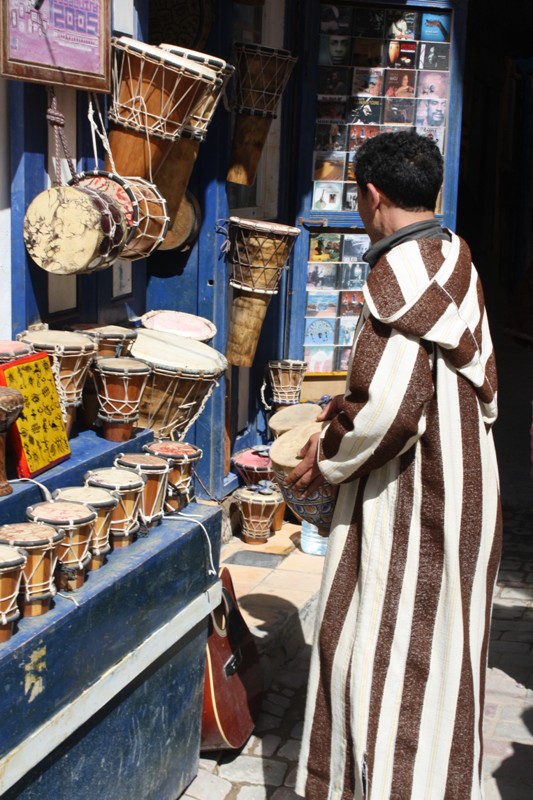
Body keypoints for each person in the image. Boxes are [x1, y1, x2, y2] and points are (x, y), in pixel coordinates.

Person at [289, 131, 502, 799]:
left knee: (389, 655)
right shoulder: (454, 255)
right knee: (443, 657)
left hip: (420, 497)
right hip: (470, 481)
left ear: (370, 195)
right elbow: (441, 375)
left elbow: (389, 412)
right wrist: (347, 400)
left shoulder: (396, 275)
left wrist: (322, 460)